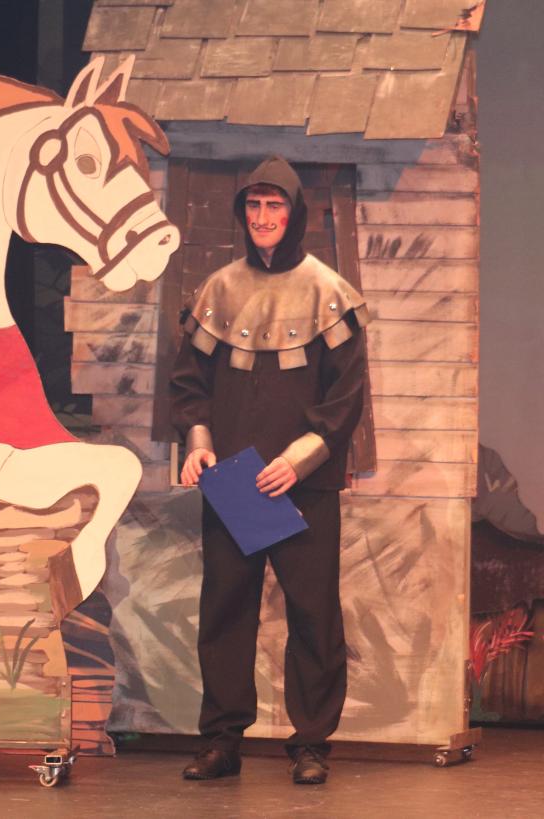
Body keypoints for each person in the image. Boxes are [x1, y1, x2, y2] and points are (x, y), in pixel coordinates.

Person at [170, 156, 369, 785]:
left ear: (294, 213)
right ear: (243, 212)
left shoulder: (328, 292)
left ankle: (310, 744)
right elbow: (189, 384)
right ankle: (222, 740)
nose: (262, 217)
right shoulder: (219, 290)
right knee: (225, 611)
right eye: (253, 206)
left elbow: (345, 398)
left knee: (313, 613)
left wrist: (298, 460)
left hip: (302, 482)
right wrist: (198, 444)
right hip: (233, 478)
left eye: (273, 206)